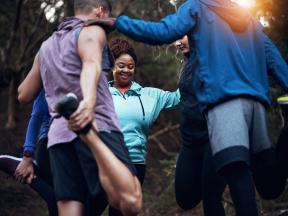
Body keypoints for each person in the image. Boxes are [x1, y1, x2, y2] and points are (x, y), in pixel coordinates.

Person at [94, 0, 288, 215]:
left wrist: (118, 22)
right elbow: (273, 58)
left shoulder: (197, 7)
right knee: (269, 186)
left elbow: (163, 31)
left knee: (236, 178)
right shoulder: (250, 21)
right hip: (256, 106)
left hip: (223, 106)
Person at [17, 0, 142, 215]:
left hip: (58, 138)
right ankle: (89, 136)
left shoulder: (45, 47)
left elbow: (24, 94)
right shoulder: (92, 30)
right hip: (97, 124)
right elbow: (92, 63)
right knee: (131, 202)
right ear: (101, 11)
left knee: (72, 209)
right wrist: (88, 101)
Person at [107, 37, 180, 215]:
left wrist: (191, 60)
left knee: (122, 212)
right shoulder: (100, 93)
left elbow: (180, 96)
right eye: (121, 65)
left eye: (130, 66)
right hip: (104, 162)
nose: (126, 70)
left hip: (135, 163)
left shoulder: (149, 96)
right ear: (111, 66)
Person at [174, 36, 226, 215]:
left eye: (181, 37)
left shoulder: (211, 56)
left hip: (214, 138)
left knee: (211, 197)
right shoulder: (187, 63)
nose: (177, 43)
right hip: (190, 142)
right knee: (185, 198)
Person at [0, 90, 57, 216]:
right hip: (51, 144)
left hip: (79, 147)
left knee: (56, 201)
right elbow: (36, 115)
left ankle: (27, 169)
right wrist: (27, 155)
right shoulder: (49, 72)